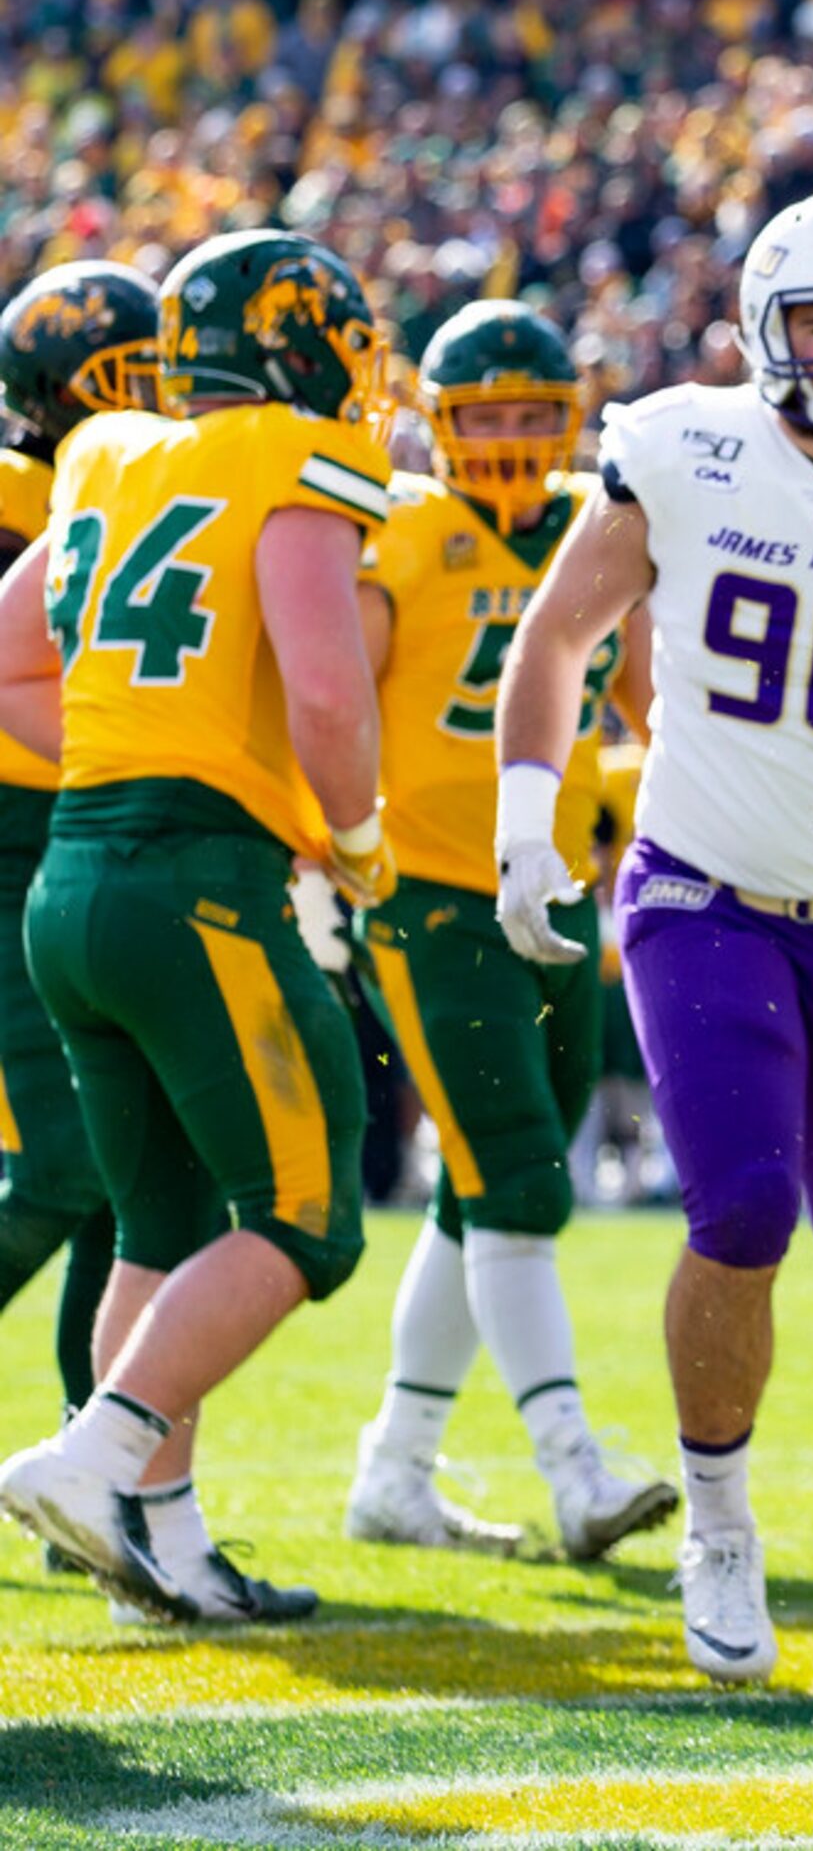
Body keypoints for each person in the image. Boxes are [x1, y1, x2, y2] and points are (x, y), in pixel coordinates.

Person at [496, 193, 813, 1685]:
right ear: (766, 328)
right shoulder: (685, 443)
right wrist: (525, 819)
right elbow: (561, 629)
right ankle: (715, 1519)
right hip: (700, 889)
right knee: (743, 1210)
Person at [0, 230, 398, 1620]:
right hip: (194, 886)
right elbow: (332, 694)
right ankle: (96, 1452)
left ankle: (157, 1550)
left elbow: (9, 654)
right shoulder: (294, 451)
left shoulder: (108, 449)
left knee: (155, 1223)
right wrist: (348, 833)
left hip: (73, 876)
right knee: (307, 1211)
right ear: (299, 344)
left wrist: (133, 752)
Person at [342, 300, 676, 1558]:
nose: (518, 438)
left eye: (539, 413)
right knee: (522, 1177)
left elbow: (653, 699)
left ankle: (396, 1470)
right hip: (427, 889)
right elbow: (346, 695)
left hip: (556, 887)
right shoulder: (408, 524)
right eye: (490, 417)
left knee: (481, 1193)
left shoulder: (598, 522)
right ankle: (574, 1467)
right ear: (441, 421)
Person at [0, 263, 158, 1475]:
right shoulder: (18, 491)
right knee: (65, 1162)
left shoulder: (140, 478)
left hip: (97, 839)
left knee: (118, 1177)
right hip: (17, 840)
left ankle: (86, 1471)